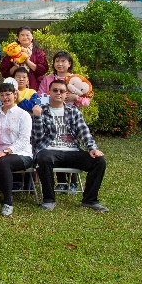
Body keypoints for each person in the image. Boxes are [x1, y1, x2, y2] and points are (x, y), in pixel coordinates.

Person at [32, 79, 108, 212]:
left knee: (99, 161)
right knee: (43, 157)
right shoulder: (41, 111)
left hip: (72, 150)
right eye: (55, 90)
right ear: (49, 92)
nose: (58, 93)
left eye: (61, 91)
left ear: (66, 94)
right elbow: (37, 140)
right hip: (50, 150)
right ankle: (49, 200)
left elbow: (84, 131)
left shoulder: (73, 111)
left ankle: (90, 200)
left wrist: (92, 148)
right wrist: (37, 118)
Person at [0, 83, 33, 216]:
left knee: (3, 162)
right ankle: (8, 193)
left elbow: (24, 140)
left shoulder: (23, 115)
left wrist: (6, 152)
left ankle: (8, 201)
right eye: (2, 95)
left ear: (15, 94)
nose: (5, 97)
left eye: (8, 94)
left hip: (21, 153)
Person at [0, 26, 48, 90]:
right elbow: (4, 73)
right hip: (15, 88)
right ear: (18, 38)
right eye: (22, 35)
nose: (25, 37)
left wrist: (27, 61)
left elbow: (43, 70)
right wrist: (15, 67)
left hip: (34, 86)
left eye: (27, 35)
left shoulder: (39, 53)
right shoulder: (12, 52)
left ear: (32, 37)